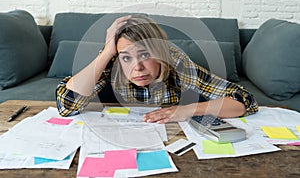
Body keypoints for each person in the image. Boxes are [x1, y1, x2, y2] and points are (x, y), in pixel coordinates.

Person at [56, 15, 258, 124]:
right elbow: (67, 106)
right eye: (127, 58)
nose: (138, 67)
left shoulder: (175, 61)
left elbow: (243, 101)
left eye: (145, 55)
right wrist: (107, 52)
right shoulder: (111, 59)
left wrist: (186, 110)